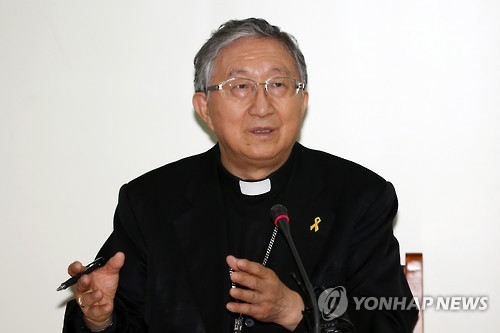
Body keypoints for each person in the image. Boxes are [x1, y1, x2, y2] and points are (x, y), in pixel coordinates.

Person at [62, 18, 418, 332]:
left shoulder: (359, 197)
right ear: (205, 108)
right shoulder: (150, 202)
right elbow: (121, 317)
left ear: (303, 101)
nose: (262, 106)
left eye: (278, 85)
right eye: (240, 86)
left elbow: (391, 320)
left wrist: (295, 311)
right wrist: (99, 321)